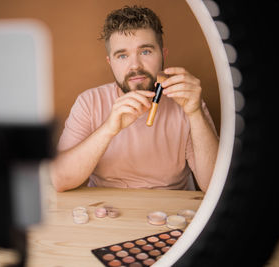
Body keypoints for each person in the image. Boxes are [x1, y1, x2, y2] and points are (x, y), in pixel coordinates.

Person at [50, 5, 219, 192]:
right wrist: (109, 129)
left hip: (170, 212)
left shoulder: (188, 101)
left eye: (145, 51)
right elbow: (58, 180)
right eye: (122, 55)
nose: (135, 65)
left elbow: (215, 186)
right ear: (111, 62)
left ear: (163, 54)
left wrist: (195, 113)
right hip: (107, 210)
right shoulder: (89, 102)